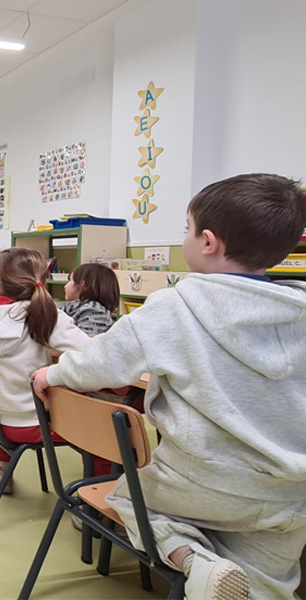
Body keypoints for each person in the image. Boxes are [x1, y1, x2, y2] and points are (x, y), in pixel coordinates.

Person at [33, 174, 306, 600]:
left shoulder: (175, 305)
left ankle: (194, 562)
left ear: (208, 242)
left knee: (128, 498)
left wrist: (50, 374)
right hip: (289, 494)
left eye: (187, 228)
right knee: (268, 579)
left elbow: (101, 363)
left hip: (200, 482)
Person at [0, 247, 91, 494]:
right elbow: (91, 354)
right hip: (30, 425)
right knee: (108, 429)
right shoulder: (45, 313)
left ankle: (2, 468)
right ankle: (94, 502)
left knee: (6, 389)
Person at [61, 263, 120, 335]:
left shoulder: (94, 310)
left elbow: (85, 341)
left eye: (70, 280)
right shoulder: (72, 307)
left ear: (82, 285)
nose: (65, 286)